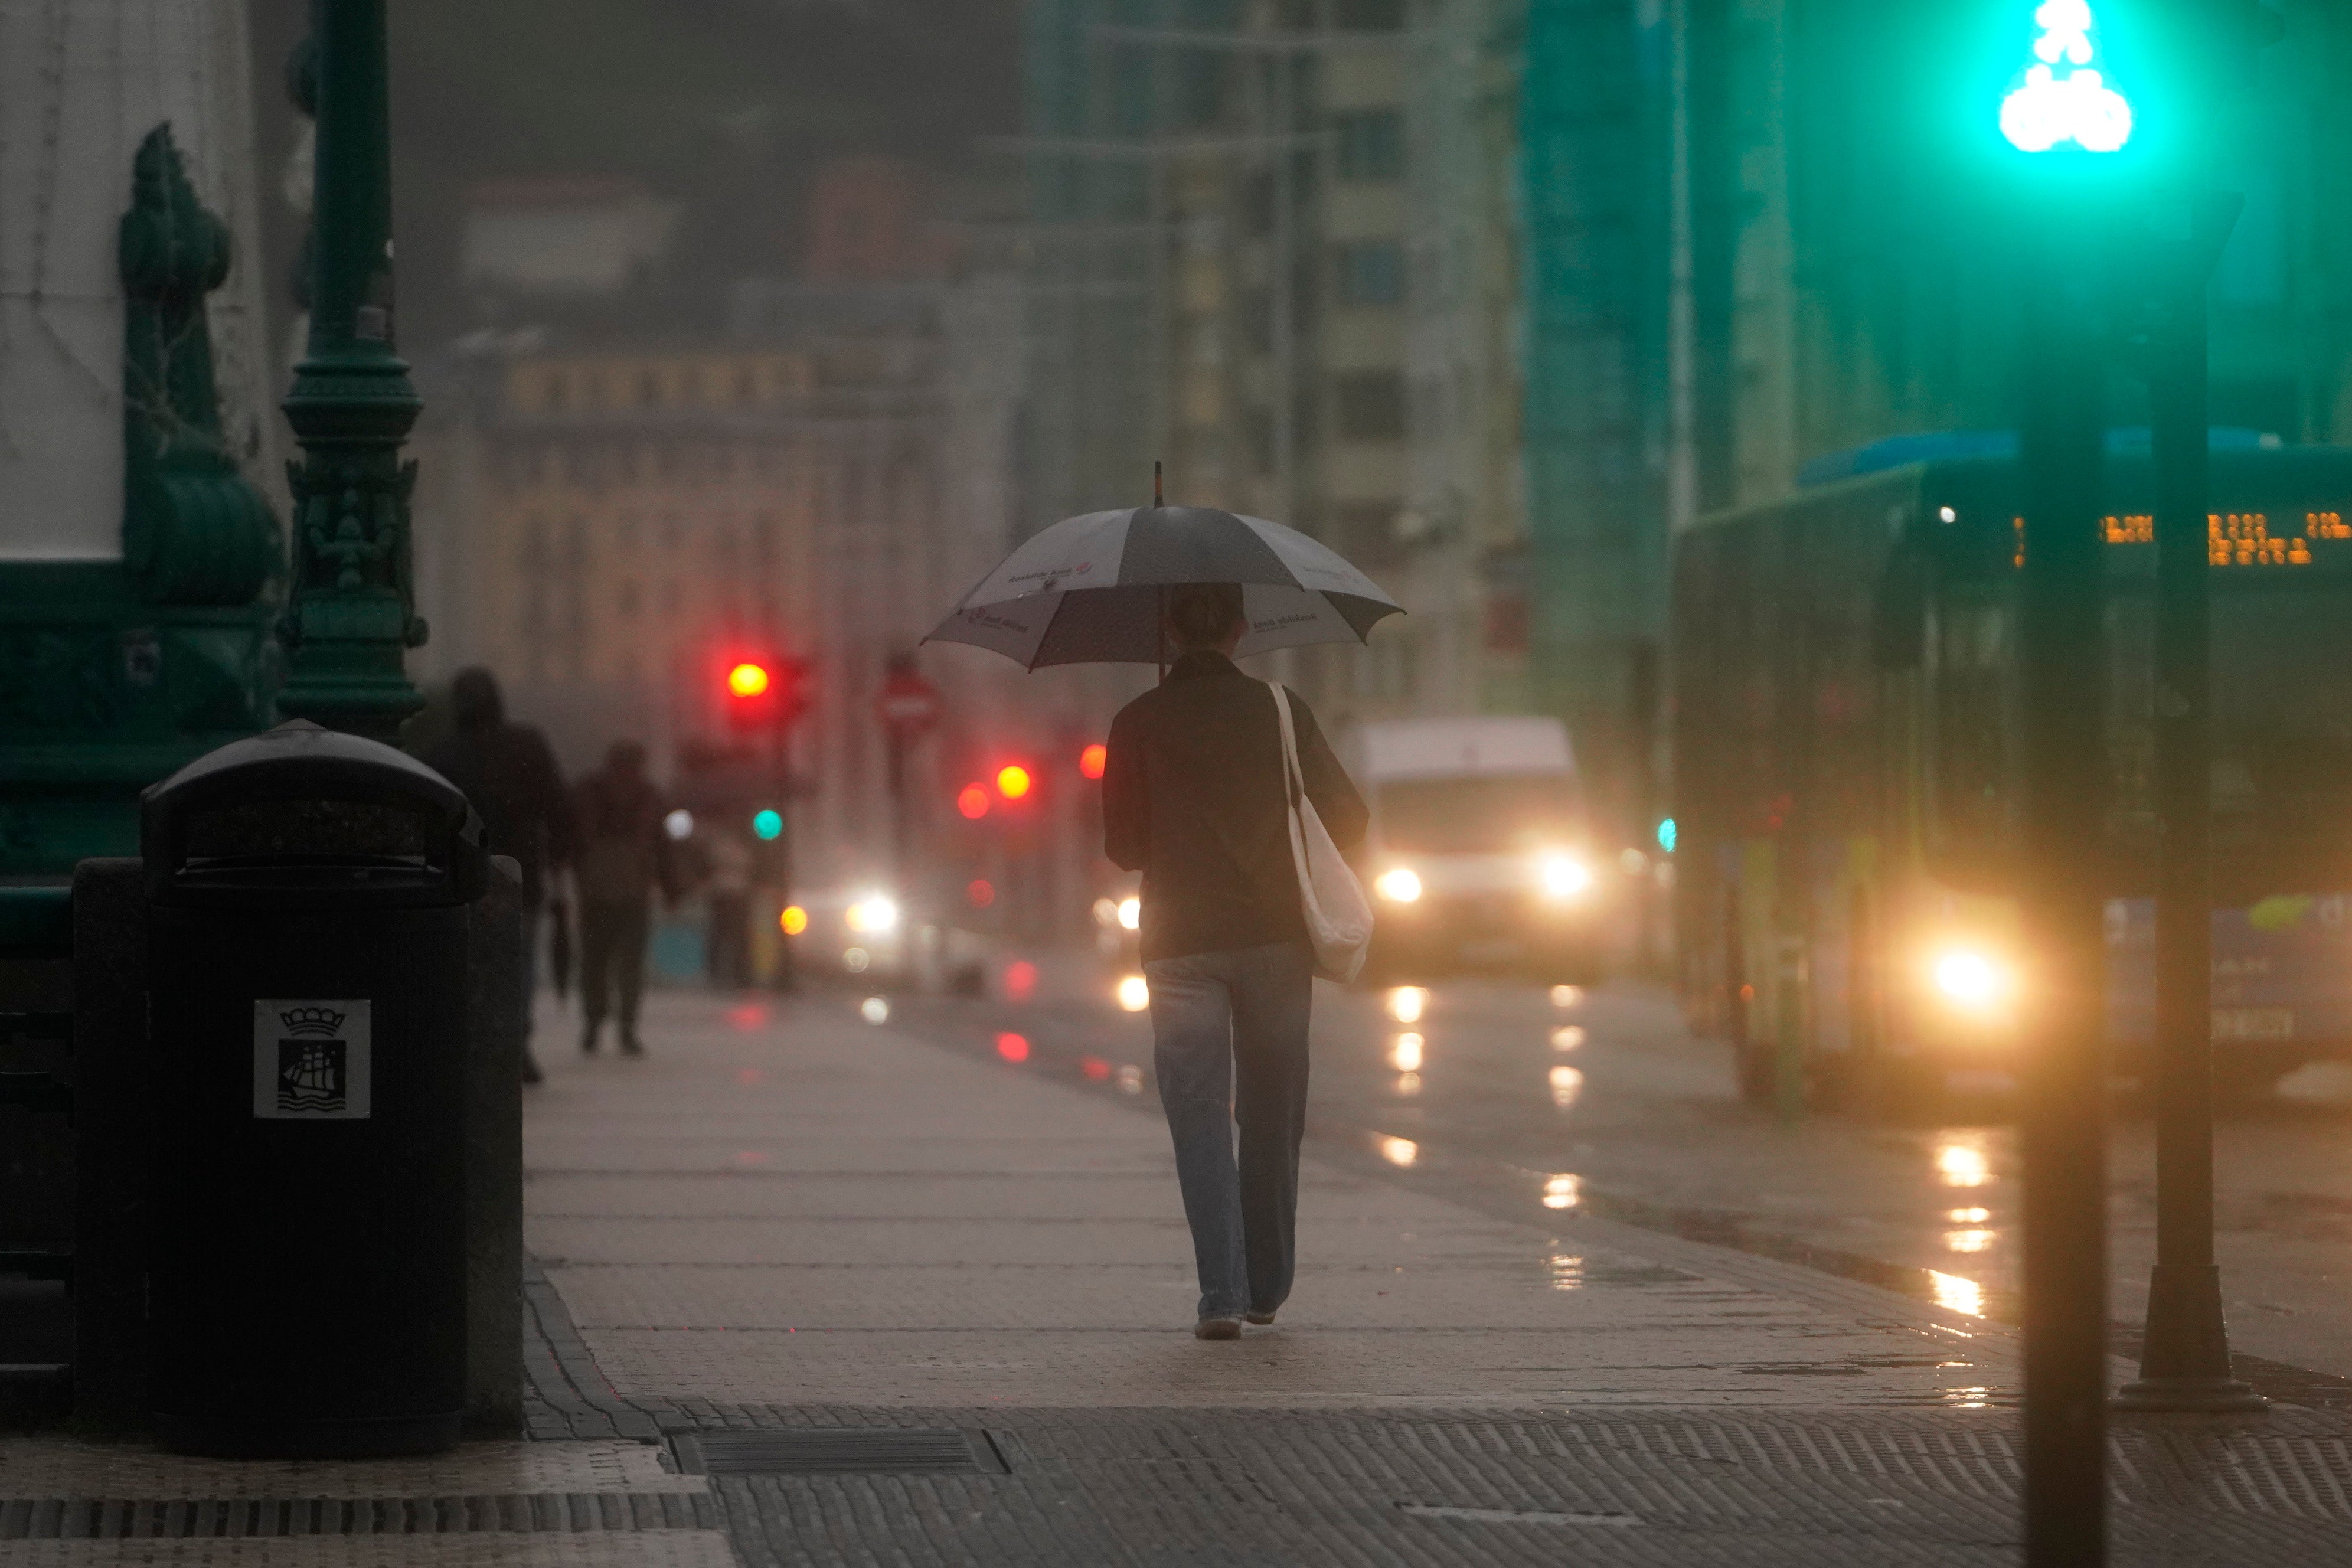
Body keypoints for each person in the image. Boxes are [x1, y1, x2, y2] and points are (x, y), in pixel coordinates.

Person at [1100, 582, 1368, 1340]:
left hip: (1180, 944)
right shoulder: (1282, 711)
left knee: (1199, 1118)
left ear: (1169, 628)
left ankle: (1219, 1294)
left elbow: (1122, 847)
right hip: (1276, 939)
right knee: (1273, 1110)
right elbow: (1348, 816)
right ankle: (1267, 1285)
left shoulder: (1136, 720)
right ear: (1243, 629)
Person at [423, 668, 574, 1085]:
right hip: (519, 874)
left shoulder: (443, 755)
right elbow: (557, 807)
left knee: (468, 961)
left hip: (462, 877)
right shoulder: (526, 745)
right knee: (518, 960)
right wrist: (561, 859)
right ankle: (515, 1040)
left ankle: (476, 1039)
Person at [571, 740, 676, 1056]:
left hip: (598, 891)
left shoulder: (587, 793)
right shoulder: (649, 797)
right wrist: (671, 887)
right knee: (626, 964)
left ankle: (596, 1021)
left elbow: (572, 839)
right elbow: (662, 847)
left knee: (596, 962)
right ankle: (624, 1028)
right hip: (630, 891)